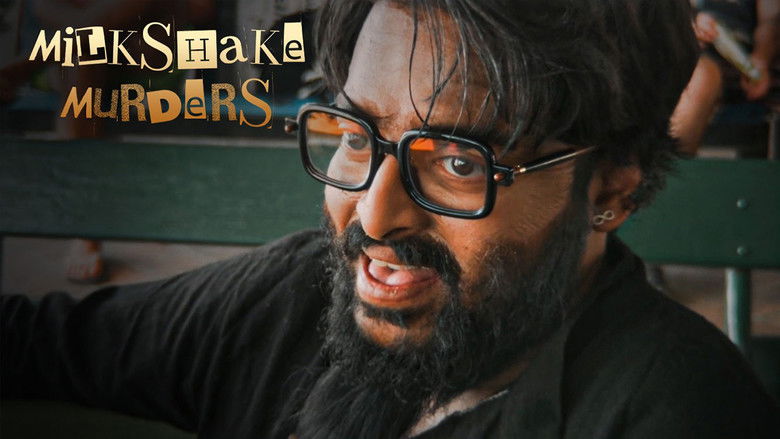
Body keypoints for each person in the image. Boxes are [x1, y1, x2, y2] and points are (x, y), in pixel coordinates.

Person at [2, 1, 779, 438]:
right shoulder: (286, 301)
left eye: (459, 162)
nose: (373, 215)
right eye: (355, 135)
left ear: (611, 190)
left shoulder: (676, 412)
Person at [671, 0, 779, 156]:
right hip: (685, 55)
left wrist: (761, 60)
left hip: (738, 65)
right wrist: (688, 24)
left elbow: (772, 20)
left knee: (700, 76)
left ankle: (672, 162)